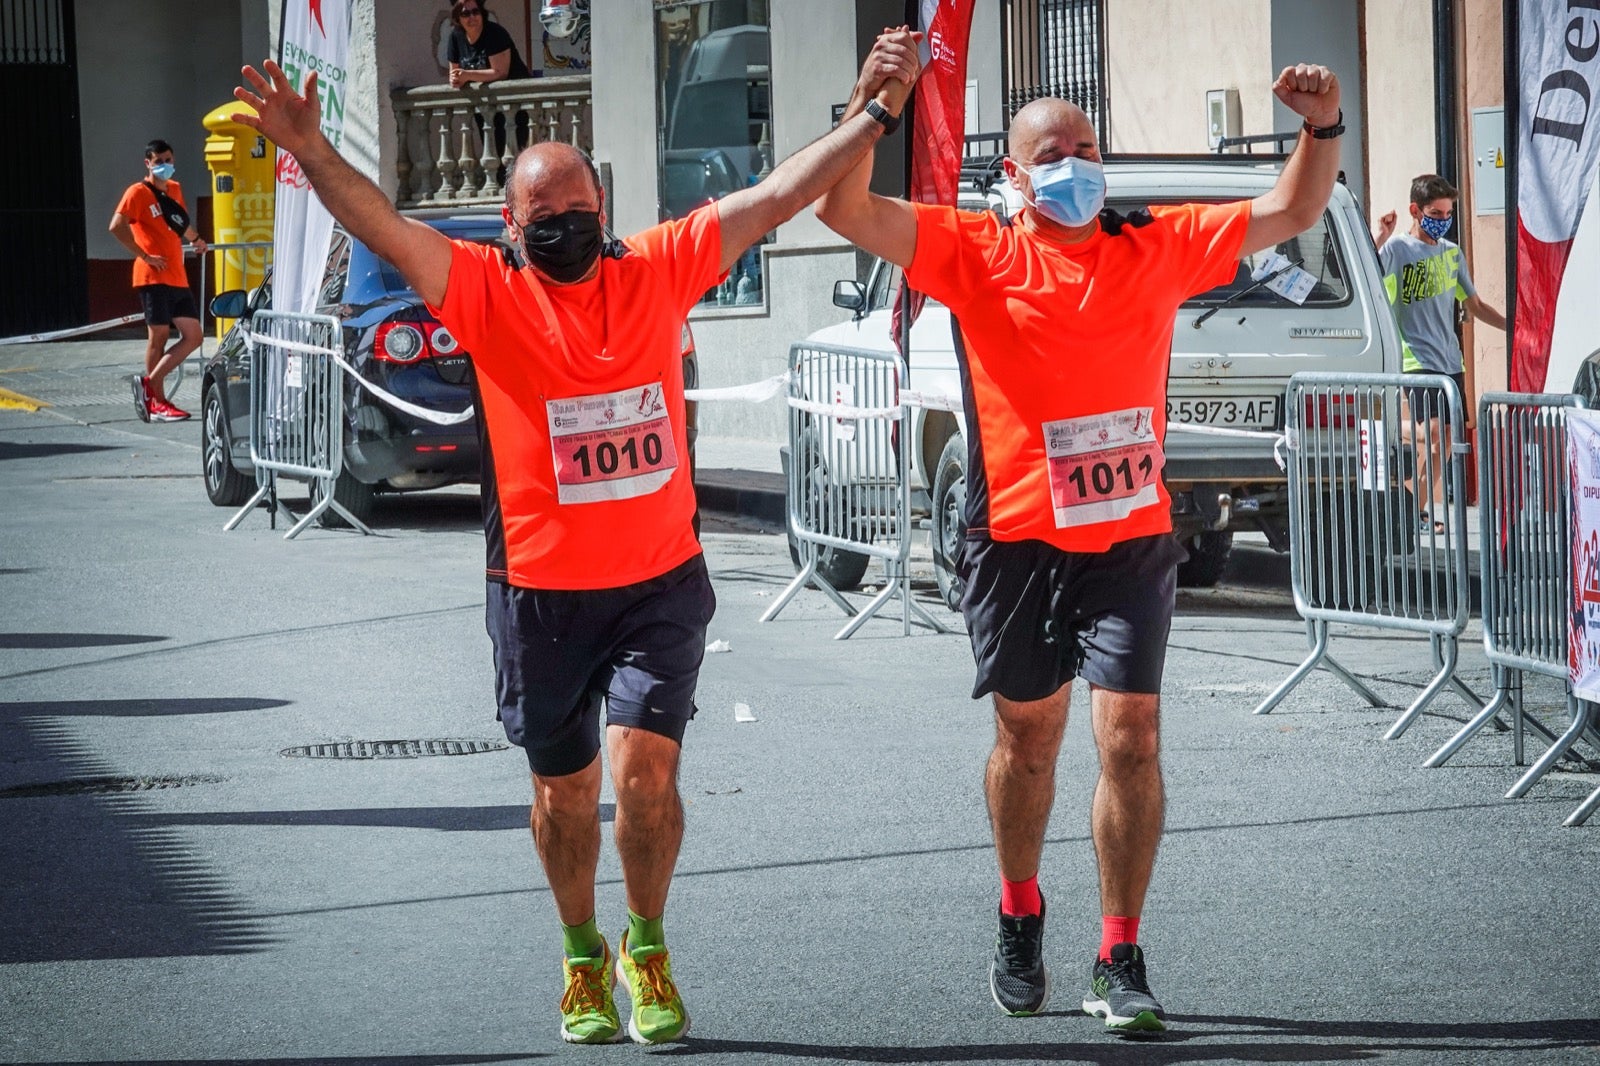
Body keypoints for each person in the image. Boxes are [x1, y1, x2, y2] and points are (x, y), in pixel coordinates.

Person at [231, 28, 919, 1047]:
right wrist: (313, 148)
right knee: (565, 792)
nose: (564, 227)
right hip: (542, 592)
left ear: (604, 210)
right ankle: (579, 952)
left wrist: (873, 111)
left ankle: (645, 944)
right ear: (511, 227)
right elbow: (379, 222)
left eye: (579, 212)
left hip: (657, 582)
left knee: (645, 776)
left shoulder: (654, 269)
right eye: (543, 216)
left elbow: (774, 195)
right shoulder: (485, 291)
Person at [817, 64, 1346, 1033]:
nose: (1073, 167)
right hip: (1015, 538)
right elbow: (844, 209)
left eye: (1086, 151)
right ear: (1014, 178)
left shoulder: (1156, 244)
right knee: (1028, 741)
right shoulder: (972, 248)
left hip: (1129, 537)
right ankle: (1020, 911)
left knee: (1131, 735)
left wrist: (1322, 125)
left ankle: (1119, 949)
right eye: (1050, 156)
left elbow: (1288, 205)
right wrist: (872, 107)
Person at [1374, 175, 1506, 532]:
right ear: (1415, 211)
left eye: (1448, 213)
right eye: (1435, 212)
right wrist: (1382, 236)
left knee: (1444, 440)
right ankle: (1391, 438)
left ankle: (1410, 506)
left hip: (1450, 360)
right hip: (1416, 358)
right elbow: (1367, 275)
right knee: (1435, 433)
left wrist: (1513, 326)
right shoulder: (1398, 249)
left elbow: (1475, 305)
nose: (1443, 219)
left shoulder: (1452, 253)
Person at [109, 139, 207, 423]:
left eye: (169, 160)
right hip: (152, 276)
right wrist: (144, 255)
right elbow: (116, 226)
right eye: (160, 161)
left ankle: (149, 386)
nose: (166, 166)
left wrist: (197, 240)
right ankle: (158, 401)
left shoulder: (174, 189)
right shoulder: (137, 192)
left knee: (194, 335)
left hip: (177, 275)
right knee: (159, 336)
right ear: (148, 163)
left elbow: (179, 222)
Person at [446, 1, 533, 164]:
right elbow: (455, 73)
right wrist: (456, 78)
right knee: (494, 158)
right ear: (458, 18)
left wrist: (467, 75)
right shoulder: (455, 37)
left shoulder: (494, 33)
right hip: (485, 108)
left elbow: (500, 72)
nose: (472, 17)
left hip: (514, 105)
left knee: (514, 158)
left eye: (475, 12)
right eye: (466, 14)